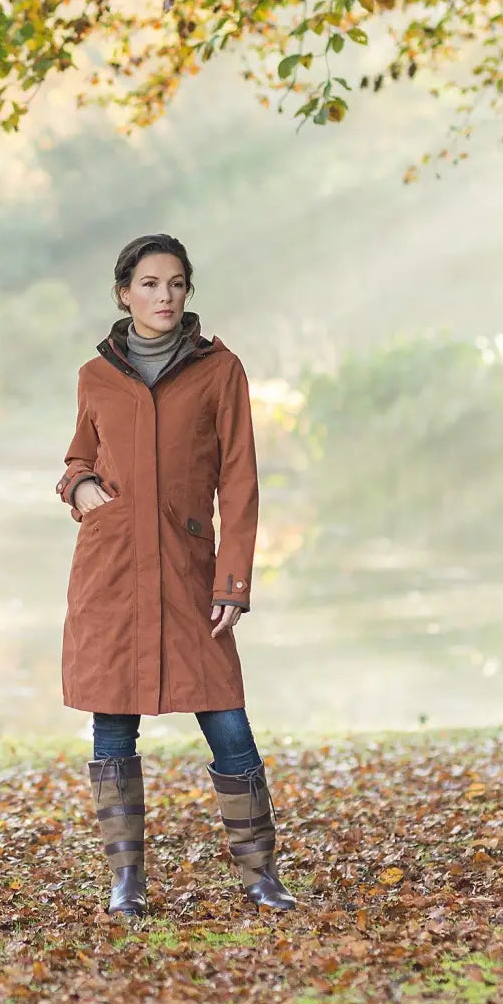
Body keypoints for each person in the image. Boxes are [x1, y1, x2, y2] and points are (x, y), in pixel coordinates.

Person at [55, 234, 296, 917]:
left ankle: (261, 876)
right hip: (112, 573)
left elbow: (240, 480)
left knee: (227, 720)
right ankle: (126, 884)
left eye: (178, 284)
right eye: (152, 284)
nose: (166, 296)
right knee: (113, 726)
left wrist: (233, 583)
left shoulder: (220, 370)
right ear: (124, 292)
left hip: (189, 571)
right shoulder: (96, 375)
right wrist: (79, 490)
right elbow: (77, 458)